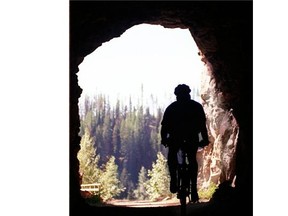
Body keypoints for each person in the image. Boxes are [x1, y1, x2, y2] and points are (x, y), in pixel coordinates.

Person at [160, 84, 209, 203]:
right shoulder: (196, 107)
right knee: (192, 159)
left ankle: (173, 179)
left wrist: (164, 139)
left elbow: (164, 127)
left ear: (176, 95)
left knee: (172, 156)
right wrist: (205, 139)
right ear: (189, 94)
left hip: (175, 138)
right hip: (192, 137)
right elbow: (202, 126)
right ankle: (194, 189)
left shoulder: (172, 107)